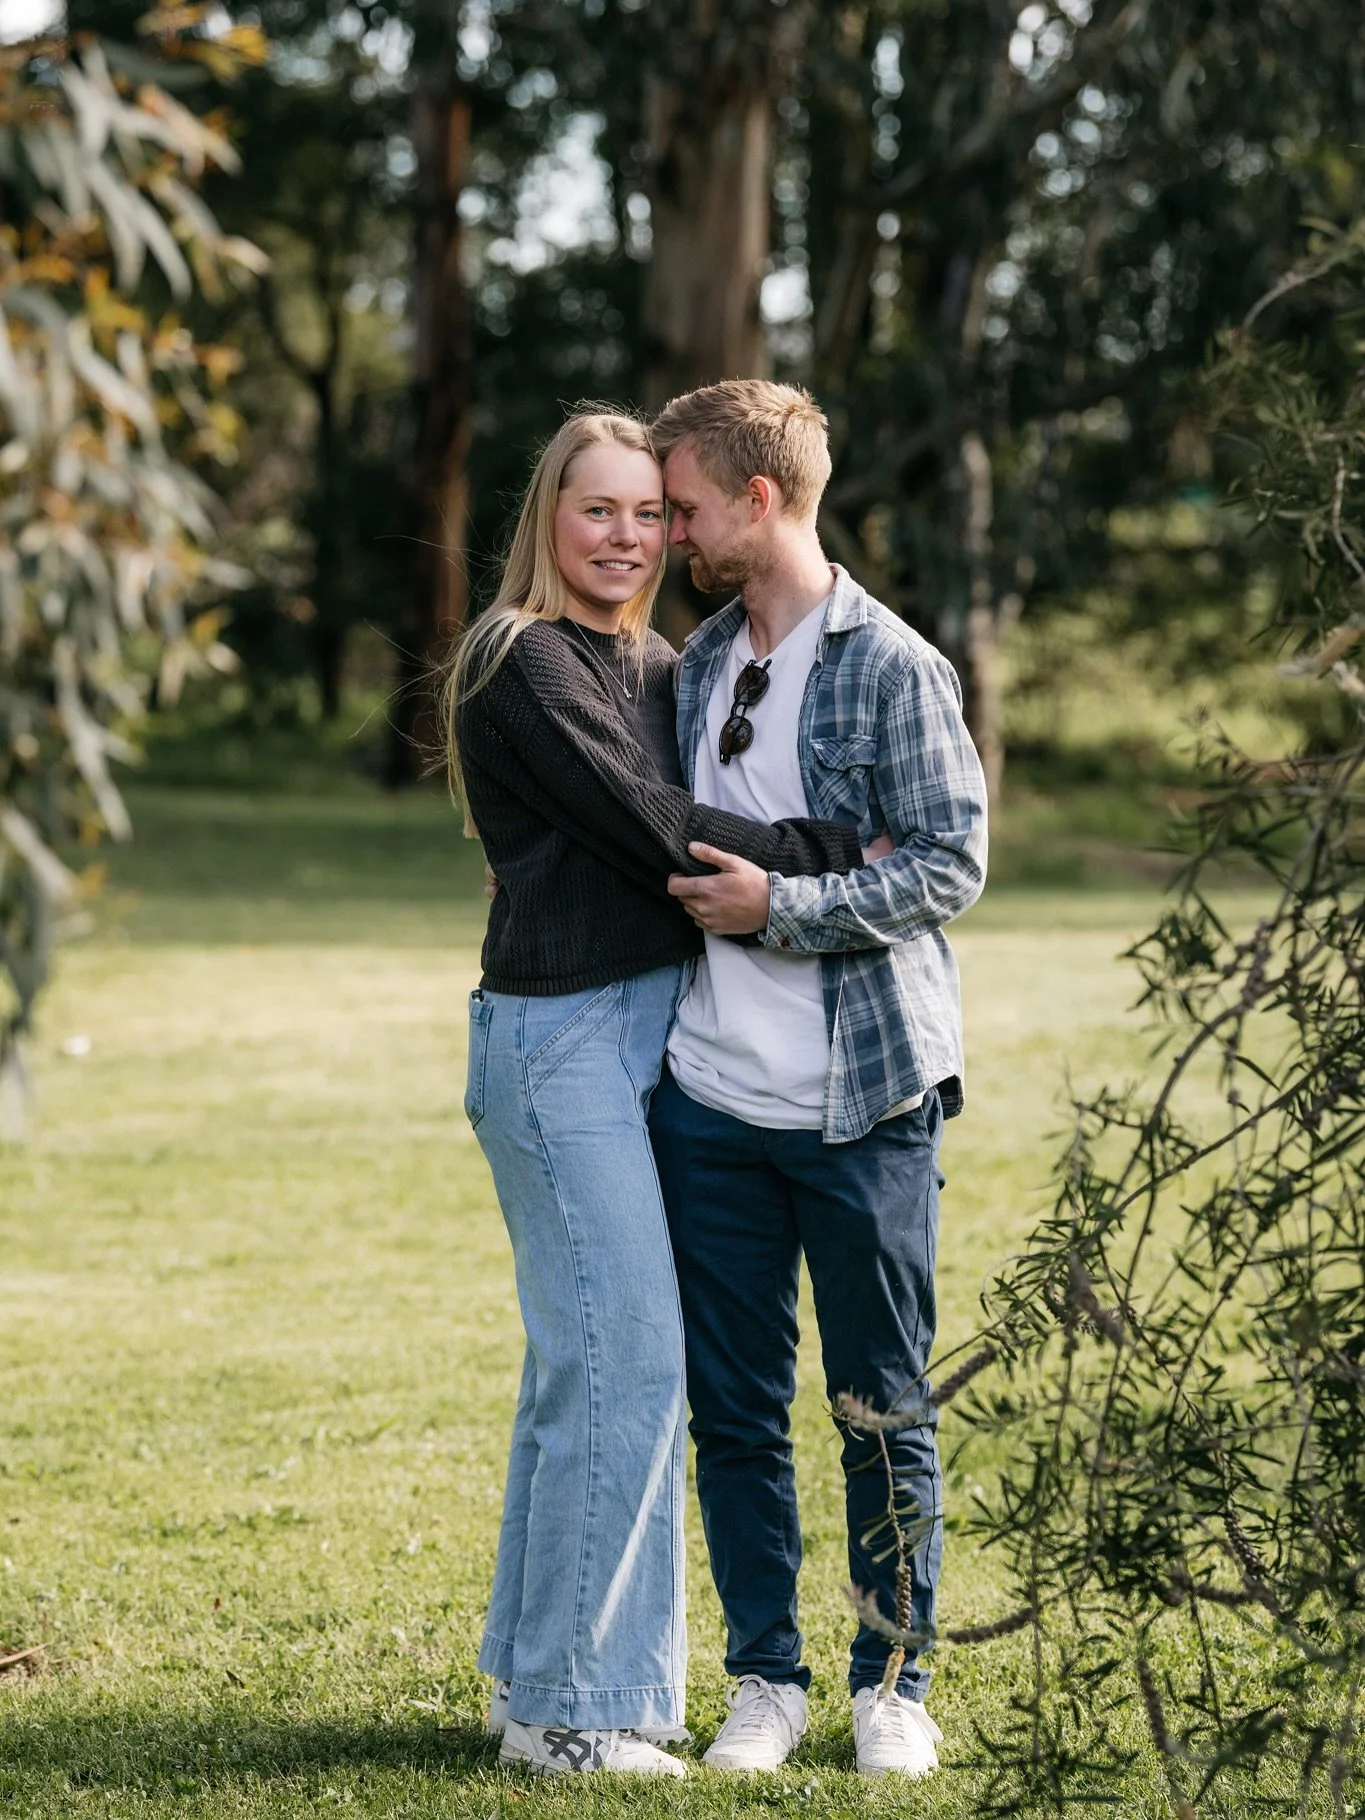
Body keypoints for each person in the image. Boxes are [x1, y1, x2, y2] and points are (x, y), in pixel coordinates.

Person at [445, 409, 867, 1778]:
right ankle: (583, 1715)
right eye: (599, 512)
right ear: (548, 521)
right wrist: (830, 853)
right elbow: (654, 826)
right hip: (560, 1042)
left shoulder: (664, 661)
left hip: (653, 1037)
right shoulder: (522, 662)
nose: (629, 540)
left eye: (649, 515)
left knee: (584, 1366)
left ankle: (532, 1682)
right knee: (628, 1360)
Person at [643, 380, 989, 1778]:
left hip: (865, 1109)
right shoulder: (698, 662)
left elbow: (952, 861)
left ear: (760, 501)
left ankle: (892, 1685)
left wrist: (779, 913)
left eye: (683, 507)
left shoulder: (892, 664)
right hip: (712, 1108)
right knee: (734, 1410)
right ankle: (765, 1682)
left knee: (880, 1406)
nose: (668, 532)